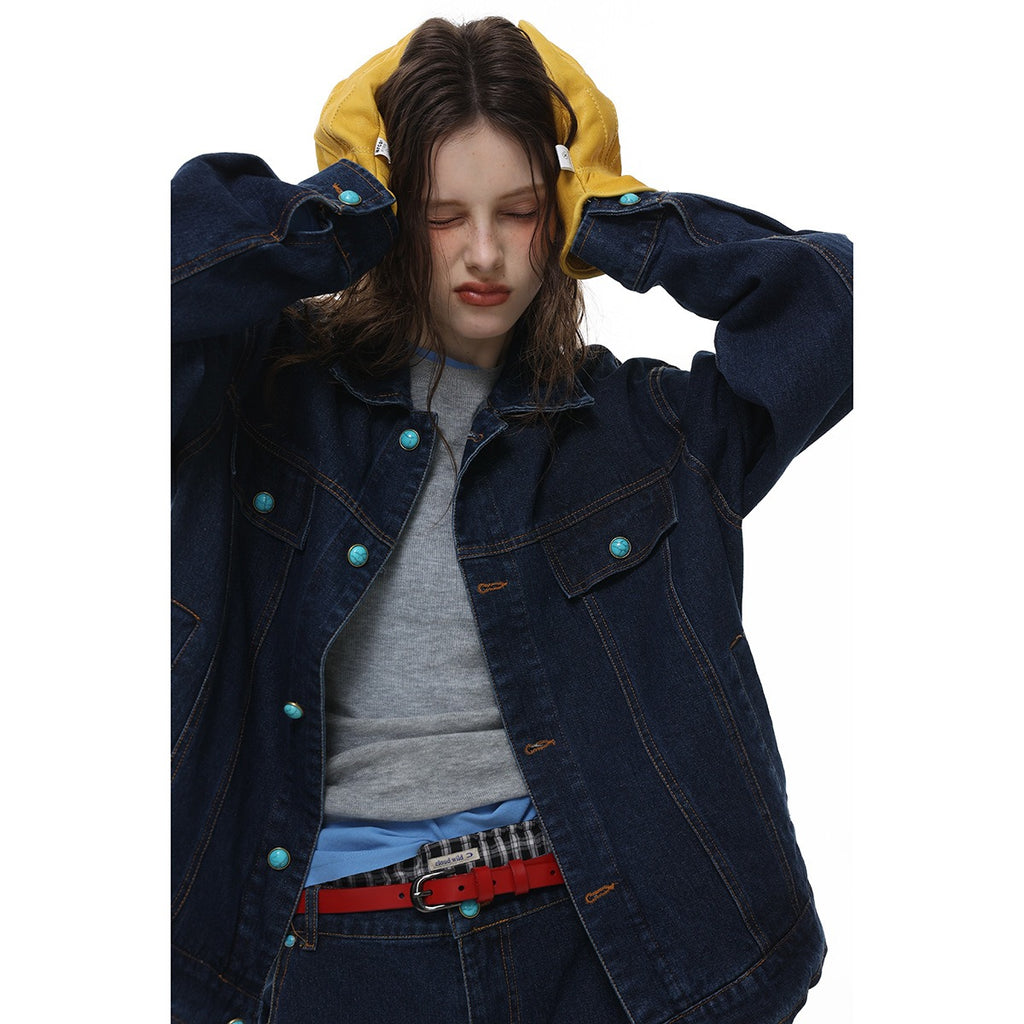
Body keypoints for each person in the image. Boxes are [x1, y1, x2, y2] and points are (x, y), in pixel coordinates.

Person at [171, 16, 852, 1024]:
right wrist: (341, 206)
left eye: (523, 211)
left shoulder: (644, 430)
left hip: (601, 951)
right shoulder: (265, 396)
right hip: (342, 958)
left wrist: (622, 217)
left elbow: (834, 312)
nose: (483, 253)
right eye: (441, 214)